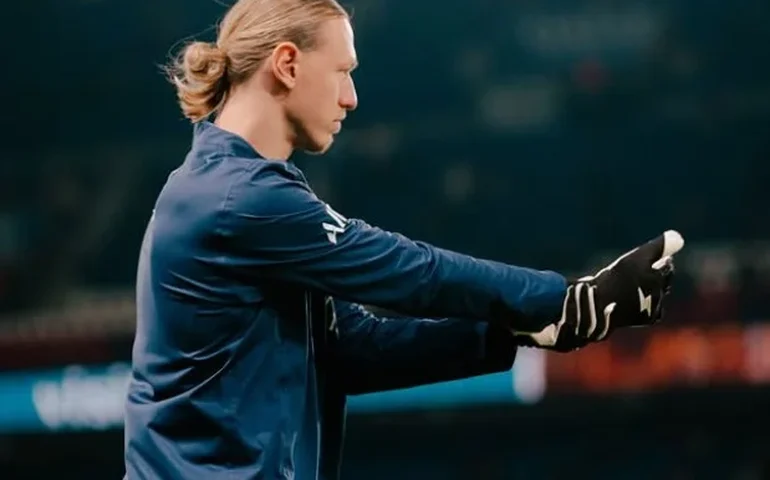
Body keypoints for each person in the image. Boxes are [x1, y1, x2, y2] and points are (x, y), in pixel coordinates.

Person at [122, 0, 685, 479]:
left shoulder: (239, 190)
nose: (351, 98)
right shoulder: (236, 197)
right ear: (287, 64)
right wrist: (561, 299)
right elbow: (406, 269)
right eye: (343, 71)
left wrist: (525, 329)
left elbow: (353, 349)